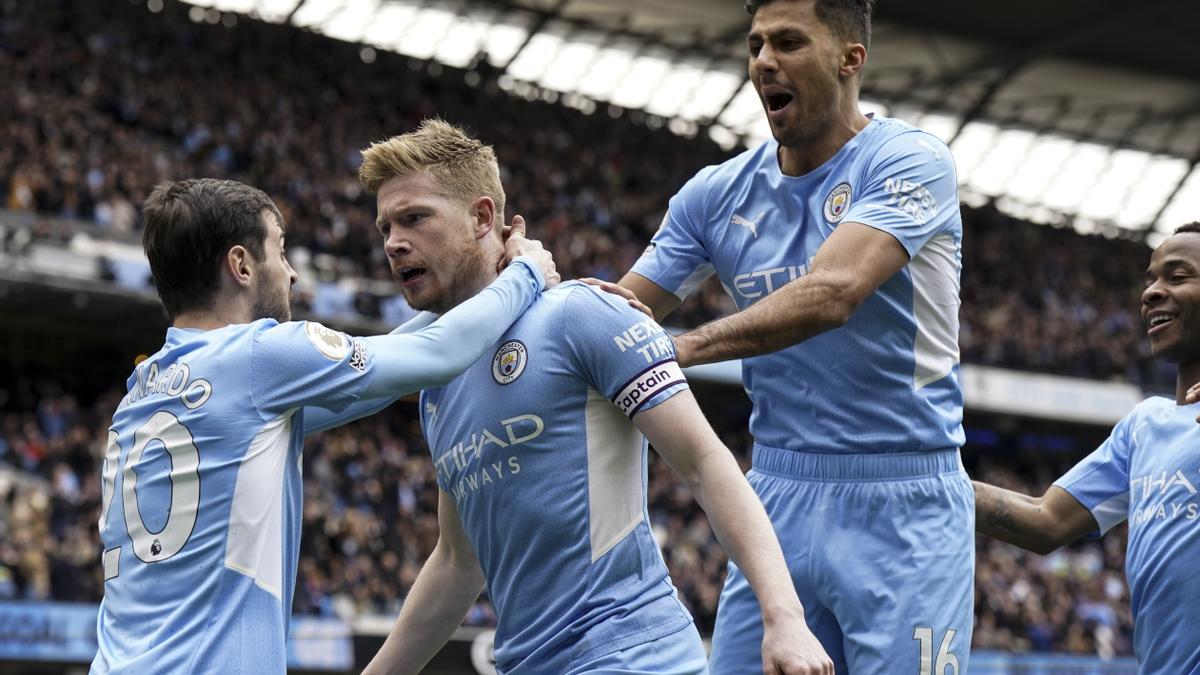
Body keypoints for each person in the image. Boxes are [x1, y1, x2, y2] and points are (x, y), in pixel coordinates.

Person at [357, 120, 832, 675]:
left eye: (414, 218)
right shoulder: (437, 380)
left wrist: (785, 616)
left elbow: (704, 462)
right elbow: (459, 562)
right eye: (385, 226)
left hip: (631, 655)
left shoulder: (578, 314)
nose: (393, 242)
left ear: (483, 218)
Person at [615, 0, 973, 672]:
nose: (763, 63)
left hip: (905, 504)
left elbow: (834, 293)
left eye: (787, 42)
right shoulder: (715, 193)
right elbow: (622, 312)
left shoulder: (911, 160)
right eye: (754, 46)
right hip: (774, 496)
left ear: (850, 59)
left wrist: (683, 348)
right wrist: (526, 286)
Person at [92, 177, 558, 673]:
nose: (292, 274)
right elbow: (437, 353)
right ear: (242, 266)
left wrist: (480, 288)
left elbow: (378, 380)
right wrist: (527, 273)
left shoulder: (142, 390)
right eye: (281, 250)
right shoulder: (260, 354)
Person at [974, 223, 1200, 675]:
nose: (1152, 292)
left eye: (1177, 276)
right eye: (1151, 279)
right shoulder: (1143, 426)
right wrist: (922, 479)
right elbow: (1045, 521)